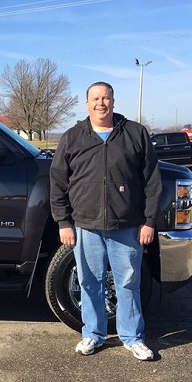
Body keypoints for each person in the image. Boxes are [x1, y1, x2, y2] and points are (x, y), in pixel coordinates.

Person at [50, 81, 162, 361]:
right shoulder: (73, 137)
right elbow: (58, 183)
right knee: (89, 282)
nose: (101, 103)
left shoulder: (135, 134)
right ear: (86, 103)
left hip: (127, 227)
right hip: (85, 226)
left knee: (128, 283)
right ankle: (93, 334)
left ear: (113, 101)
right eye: (96, 98)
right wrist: (64, 222)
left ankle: (132, 337)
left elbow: (152, 181)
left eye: (106, 98)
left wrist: (149, 221)